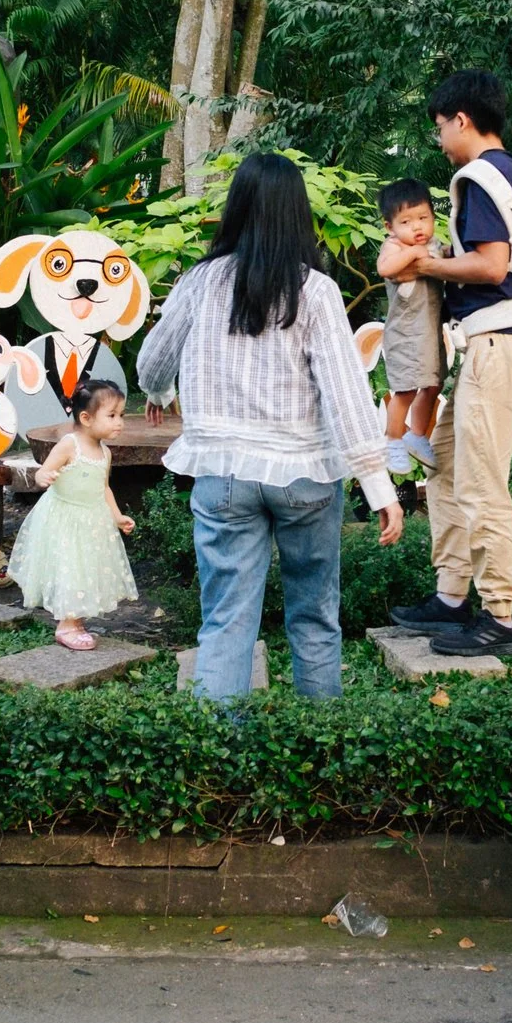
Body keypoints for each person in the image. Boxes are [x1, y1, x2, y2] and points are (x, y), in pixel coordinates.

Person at [137, 153, 406, 702]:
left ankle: (219, 759)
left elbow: (151, 363)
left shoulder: (200, 281)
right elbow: (346, 394)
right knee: (314, 615)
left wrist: (160, 392)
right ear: (297, 214)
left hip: (224, 476)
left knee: (226, 622)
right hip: (306, 476)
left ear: (237, 209)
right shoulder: (317, 291)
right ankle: (316, 744)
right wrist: (380, 486)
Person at [388, 71, 512, 656]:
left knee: (481, 481)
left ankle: (499, 615)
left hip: (499, 340)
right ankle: (452, 596)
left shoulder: (480, 176)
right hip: (499, 339)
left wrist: (425, 265)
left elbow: (490, 265)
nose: (439, 140)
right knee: (447, 463)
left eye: (439, 127)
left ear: (462, 119)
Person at [8, 380, 140, 650]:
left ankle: (76, 620)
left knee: (86, 569)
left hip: (93, 520)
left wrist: (117, 517)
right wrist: (45, 476)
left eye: (121, 416)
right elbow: (43, 470)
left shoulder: (105, 452)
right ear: (86, 418)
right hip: (65, 518)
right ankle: (66, 625)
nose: (120, 422)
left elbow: (103, 488)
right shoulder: (70, 445)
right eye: (112, 416)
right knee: (70, 568)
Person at [372, 177, 445, 476]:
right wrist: (414, 254)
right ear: (390, 227)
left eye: (423, 218)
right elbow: (384, 269)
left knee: (433, 384)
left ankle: (417, 434)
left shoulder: (433, 244)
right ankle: (392, 440)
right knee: (404, 390)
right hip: (404, 335)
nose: (417, 227)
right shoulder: (393, 247)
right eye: (407, 221)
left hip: (429, 332)